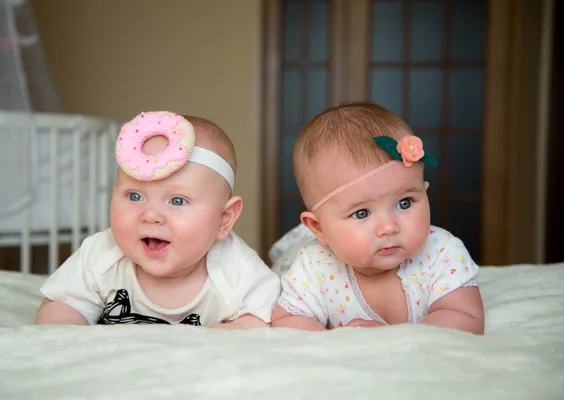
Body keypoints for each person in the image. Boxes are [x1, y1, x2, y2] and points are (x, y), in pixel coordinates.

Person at [35, 111, 280, 329]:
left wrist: (208, 340)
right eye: (134, 195)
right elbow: (61, 308)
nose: (150, 215)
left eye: (177, 201)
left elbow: (261, 320)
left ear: (224, 219)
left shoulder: (238, 270)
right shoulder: (101, 254)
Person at [271, 103, 484, 334]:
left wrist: (395, 337)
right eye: (361, 213)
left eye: (405, 203)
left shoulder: (441, 252)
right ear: (318, 227)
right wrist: (331, 344)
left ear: (424, 192)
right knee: (283, 264)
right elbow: (289, 320)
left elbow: (467, 318)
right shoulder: (315, 266)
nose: (389, 227)